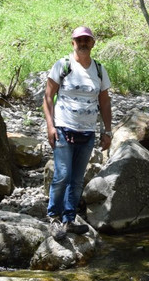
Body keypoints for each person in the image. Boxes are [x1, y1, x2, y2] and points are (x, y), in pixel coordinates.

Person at [42, 25, 113, 240]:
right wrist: (50, 126)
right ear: (73, 43)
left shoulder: (99, 70)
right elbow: (47, 97)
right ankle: (54, 218)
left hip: (87, 133)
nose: (83, 43)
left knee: (77, 179)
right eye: (79, 40)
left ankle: (69, 220)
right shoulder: (62, 65)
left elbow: (105, 102)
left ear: (92, 43)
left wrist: (107, 131)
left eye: (87, 40)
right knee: (62, 175)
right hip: (64, 129)